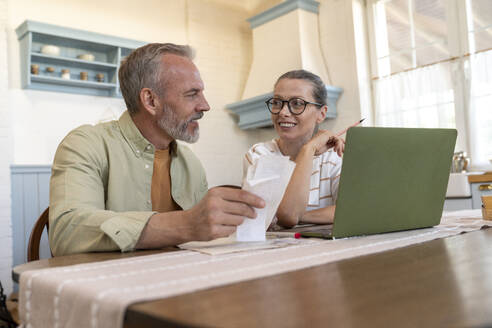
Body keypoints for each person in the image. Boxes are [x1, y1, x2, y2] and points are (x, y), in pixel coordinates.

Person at [49, 43, 265, 256]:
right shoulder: (85, 144)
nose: (205, 105)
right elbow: (67, 231)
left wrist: (240, 221)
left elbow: (202, 236)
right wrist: (185, 224)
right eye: (192, 94)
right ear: (151, 101)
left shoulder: (190, 163)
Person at [244, 70, 344, 228]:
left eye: (297, 103)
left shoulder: (334, 158)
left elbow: (351, 211)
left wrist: (301, 216)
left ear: (321, 113)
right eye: (277, 102)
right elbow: (288, 217)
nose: (283, 112)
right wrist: (308, 150)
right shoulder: (260, 154)